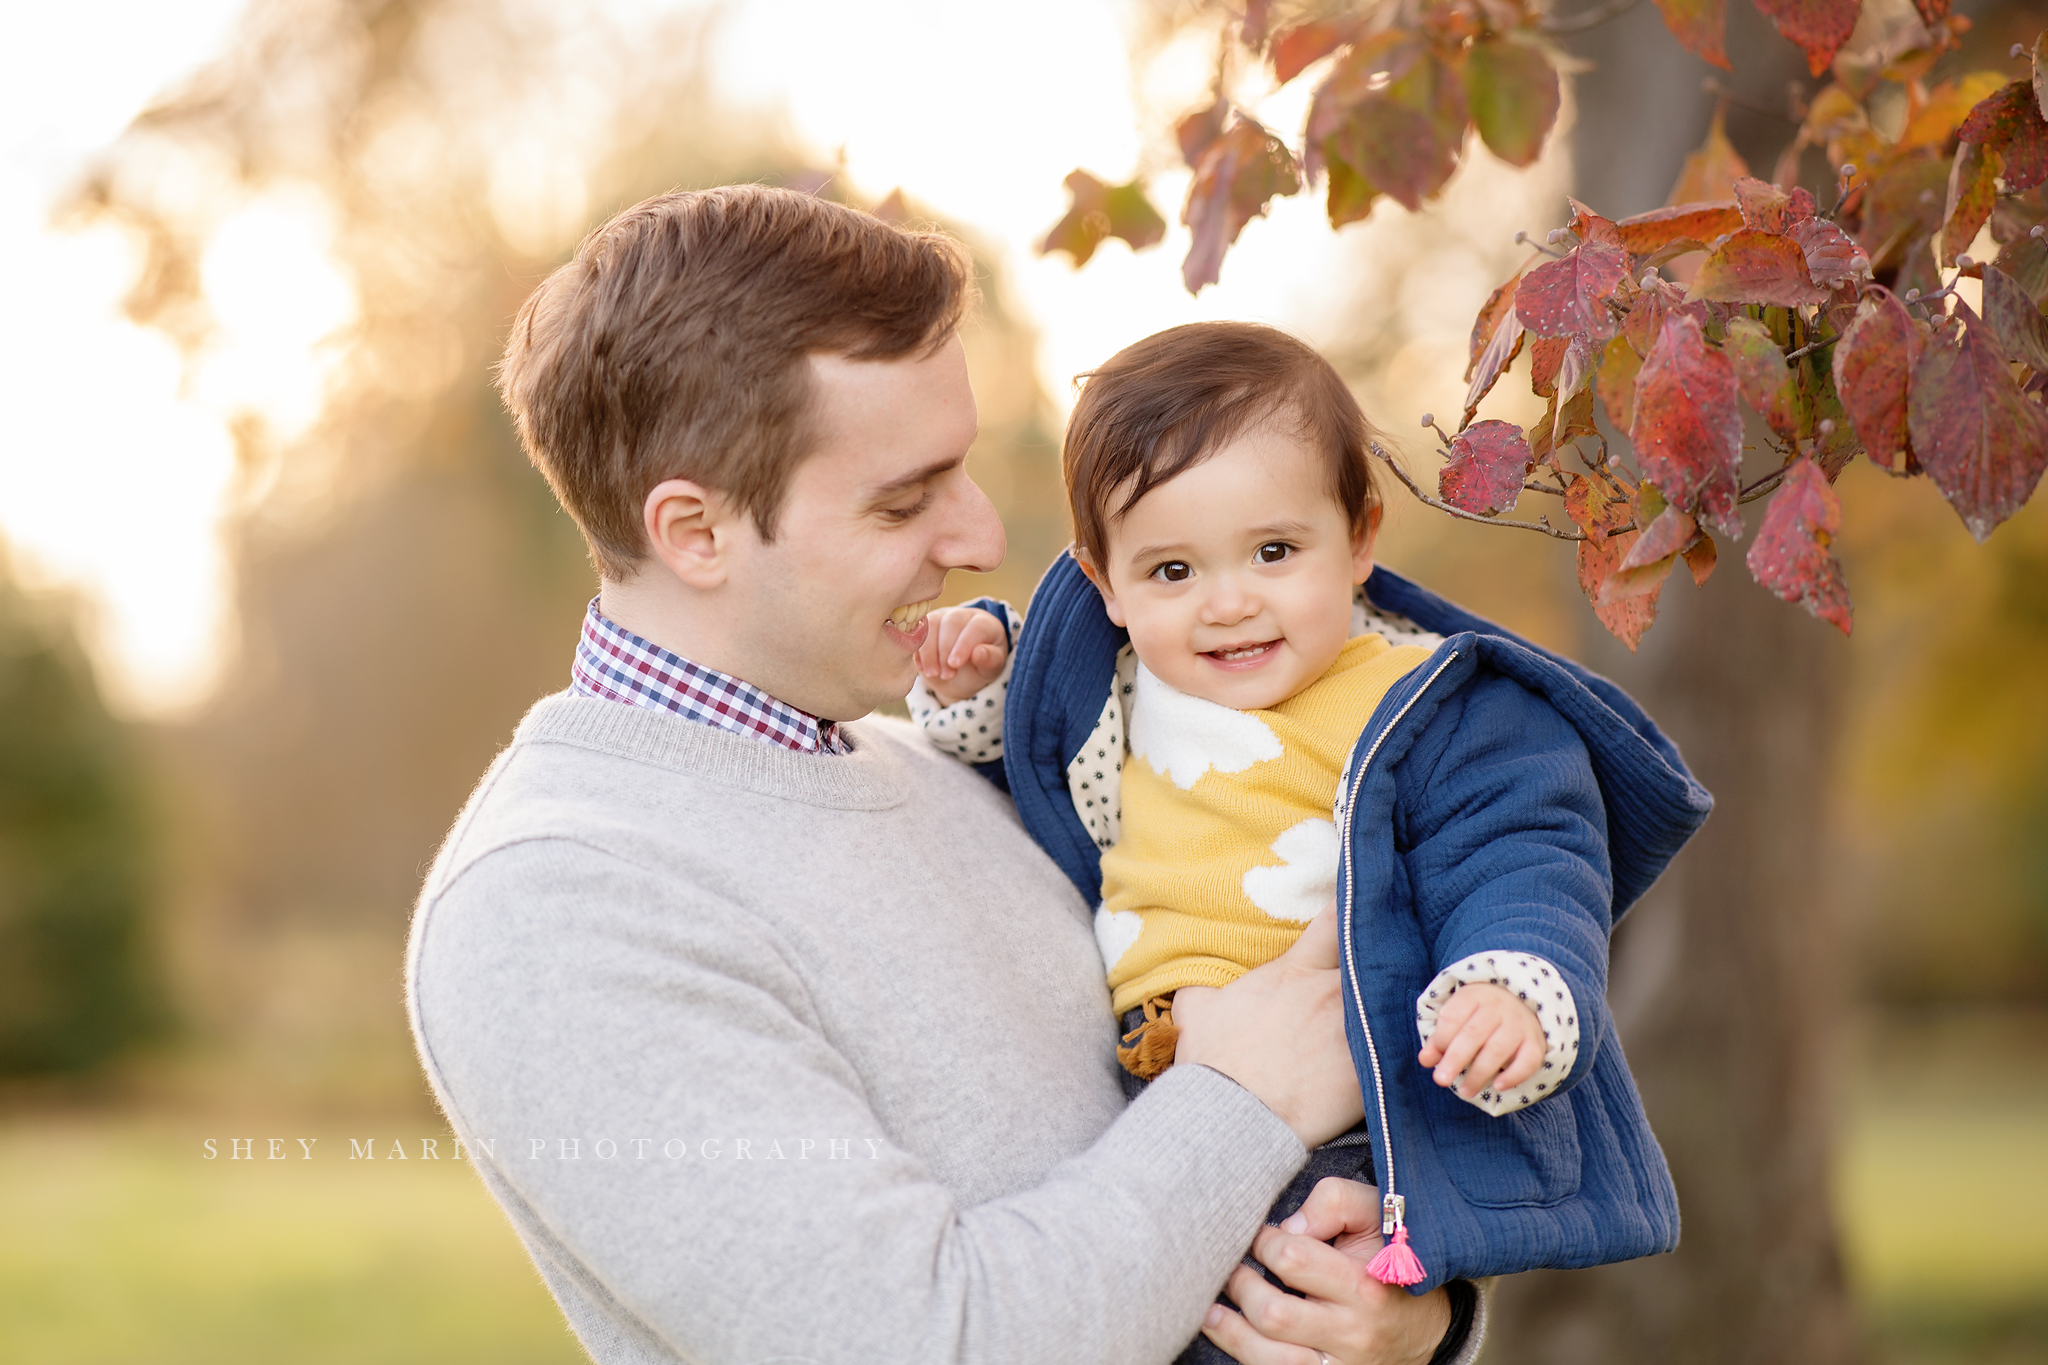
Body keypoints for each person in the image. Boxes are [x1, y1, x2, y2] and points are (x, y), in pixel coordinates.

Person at [406, 185, 1482, 1365]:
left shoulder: (971, 776)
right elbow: (928, 1340)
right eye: (902, 500)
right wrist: (1248, 1101)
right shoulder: (557, 903)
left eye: (958, 470)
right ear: (694, 531)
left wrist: (1410, 1322)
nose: (976, 537)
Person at [911, 322, 1713, 1355]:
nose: (1228, 602)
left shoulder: (1422, 703)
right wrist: (978, 679)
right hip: (1149, 1107)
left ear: (1360, 537)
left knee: (1278, 1317)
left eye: (1275, 551)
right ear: (1102, 583)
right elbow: (1024, 769)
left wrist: (1505, 982)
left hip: (1341, 1123)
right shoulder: (1105, 698)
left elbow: (1519, 847)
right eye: (1169, 572)